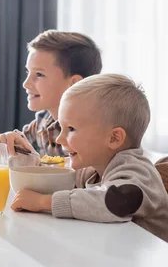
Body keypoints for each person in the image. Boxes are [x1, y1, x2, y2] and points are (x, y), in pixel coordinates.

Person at [10, 74, 168, 242]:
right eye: (61, 128)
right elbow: (54, 177)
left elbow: (113, 202)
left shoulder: (137, 172)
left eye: (71, 129)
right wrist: (25, 158)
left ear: (114, 138)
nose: (59, 139)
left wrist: (44, 202)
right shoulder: (93, 168)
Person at [0, 30, 102, 159]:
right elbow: (9, 149)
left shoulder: (92, 132)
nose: (26, 83)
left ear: (73, 83)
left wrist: (37, 166)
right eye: (28, 72)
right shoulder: (43, 122)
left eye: (39, 74)